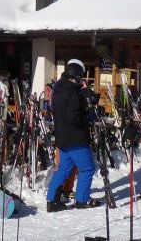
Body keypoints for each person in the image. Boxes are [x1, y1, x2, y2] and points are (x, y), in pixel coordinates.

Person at [46, 62, 100, 212]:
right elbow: (74, 117)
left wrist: (84, 98)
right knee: (87, 168)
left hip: (62, 138)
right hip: (76, 139)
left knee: (64, 169)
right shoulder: (73, 94)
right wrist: (89, 116)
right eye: (80, 77)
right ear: (76, 76)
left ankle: (52, 201)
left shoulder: (57, 89)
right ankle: (82, 199)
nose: (81, 80)